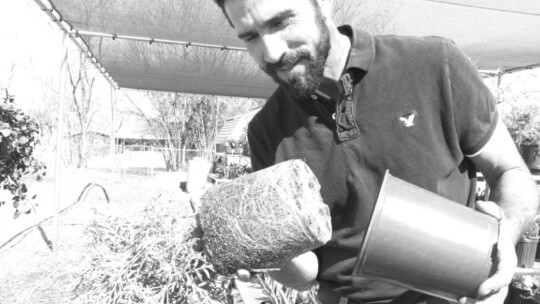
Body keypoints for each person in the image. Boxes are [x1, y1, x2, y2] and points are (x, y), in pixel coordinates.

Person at [211, 0, 540, 303]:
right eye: (250, 36)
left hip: (459, 292)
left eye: (282, 21)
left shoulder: (433, 64)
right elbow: (306, 271)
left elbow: (510, 172)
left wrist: (504, 238)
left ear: (323, 4)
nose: (270, 52)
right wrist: (266, 250)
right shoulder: (266, 130)